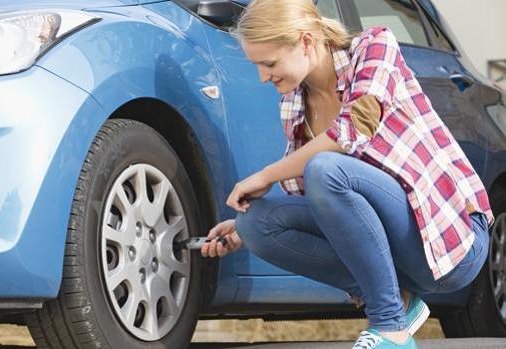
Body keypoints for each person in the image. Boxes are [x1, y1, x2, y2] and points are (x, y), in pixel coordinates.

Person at [200, 0, 494, 348]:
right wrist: (243, 230)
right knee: (255, 224)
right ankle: (399, 301)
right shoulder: (294, 103)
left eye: (269, 63)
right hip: (394, 247)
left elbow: (354, 129)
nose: (263, 77)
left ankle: (390, 328)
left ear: (306, 42)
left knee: (326, 169)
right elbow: (325, 205)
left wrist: (265, 175)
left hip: (450, 240)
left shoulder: (374, 48)